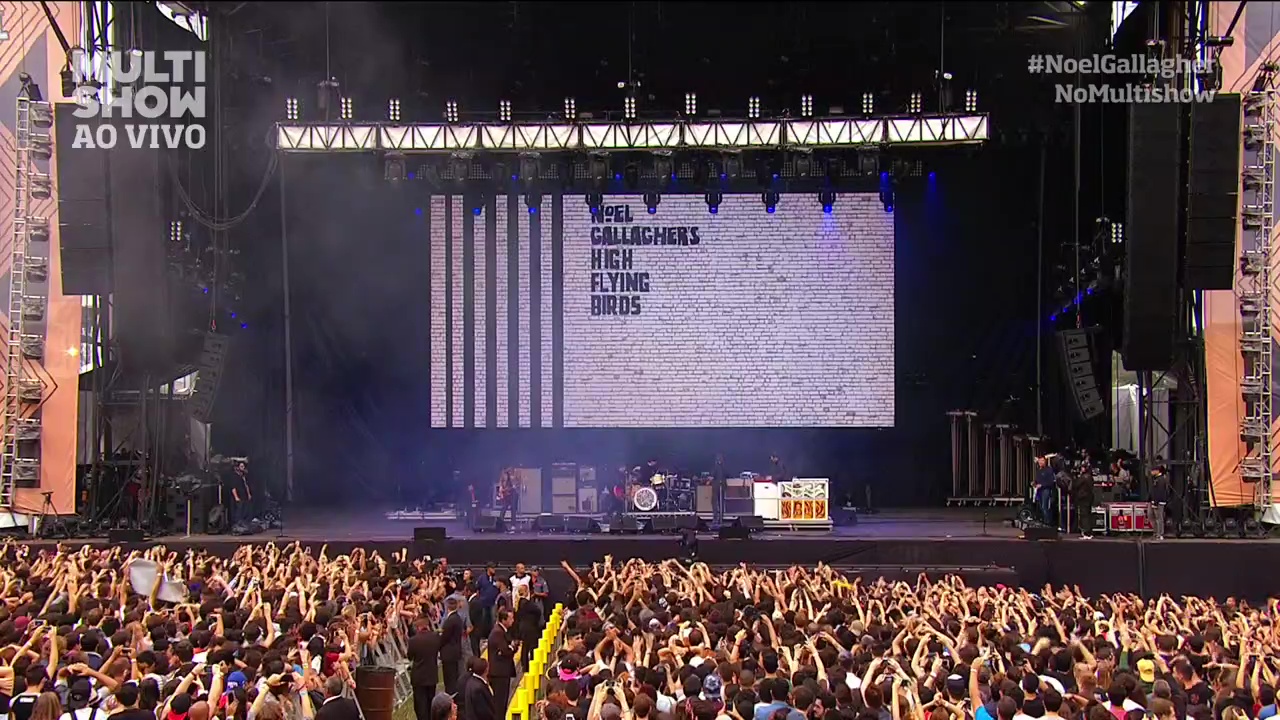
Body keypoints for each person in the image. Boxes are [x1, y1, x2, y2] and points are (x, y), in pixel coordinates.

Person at [407, 619, 441, 720]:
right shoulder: (435, 637)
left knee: (420, 705)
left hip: (419, 677)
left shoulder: (413, 640)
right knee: (431, 701)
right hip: (431, 675)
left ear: (418, 628)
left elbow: (410, 657)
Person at [486, 609, 516, 719]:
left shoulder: (501, 631)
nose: (513, 621)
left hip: (501, 672)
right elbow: (505, 651)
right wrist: (512, 647)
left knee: (501, 703)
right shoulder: (498, 633)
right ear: (503, 620)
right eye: (511, 618)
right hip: (499, 673)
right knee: (500, 704)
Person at [439, 597, 465, 695]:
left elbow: (444, 637)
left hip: (448, 653)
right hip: (455, 651)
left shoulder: (450, 620)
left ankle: (451, 695)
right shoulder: (457, 618)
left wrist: (438, 645)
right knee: (453, 675)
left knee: (449, 678)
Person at [225, 461, 253, 529]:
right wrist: (236, 497)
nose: (243, 468)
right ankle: (236, 524)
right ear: (237, 468)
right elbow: (233, 487)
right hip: (238, 496)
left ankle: (243, 523)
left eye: (243, 467)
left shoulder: (243, 476)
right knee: (238, 511)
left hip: (244, 495)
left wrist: (248, 494)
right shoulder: (234, 476)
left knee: (244, 510)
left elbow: (246, 485)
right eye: (241, 466)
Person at [1150, 465, 1170, 539]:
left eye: (1153, 470)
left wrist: (1155, 502)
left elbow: (1159, 492)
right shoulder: (1156, 479)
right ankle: (1156, 532)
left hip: (1159, 502)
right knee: (1154, 517)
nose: (1151, 472)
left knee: (1159, 518)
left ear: (1157, 471)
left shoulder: (1161, 479)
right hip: (1155, 501)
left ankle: (1160, 534)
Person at [1034, 455, 1056, 524]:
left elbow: (1051, 481)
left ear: (1045, 461)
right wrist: (1034, 483)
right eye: (1039, 461)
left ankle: (1048, 522)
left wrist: (1042, 485)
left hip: (1046, 490)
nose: (1041, 462)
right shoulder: (1039, 470)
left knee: (1044, 506)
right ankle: (1044, 521)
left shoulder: (1048, 469)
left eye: (1042, 460)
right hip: (1039, 490)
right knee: (1041, 507)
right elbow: (1038, 480)